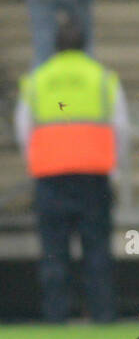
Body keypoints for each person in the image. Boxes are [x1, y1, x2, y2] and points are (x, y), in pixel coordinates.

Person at [16, 16, 128, 323]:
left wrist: (35, 165)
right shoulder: (103, 78)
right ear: (85, 43)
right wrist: (114, 173)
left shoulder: (37, 79)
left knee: (54, 252)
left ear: (54, 46)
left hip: (50, 177)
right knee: (97, 251)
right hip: (94, 176)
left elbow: (24, 128)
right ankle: (103, 315)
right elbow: (120, 127)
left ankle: (56, 317)